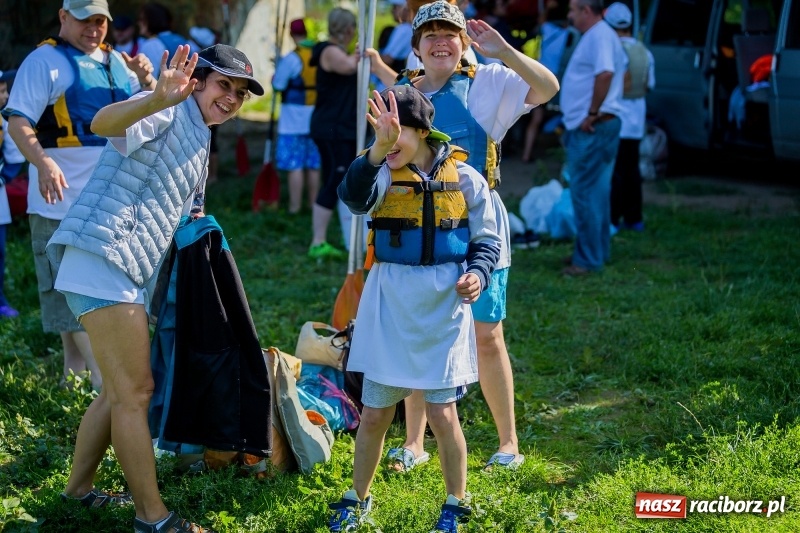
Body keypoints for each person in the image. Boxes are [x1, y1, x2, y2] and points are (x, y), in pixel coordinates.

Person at [45, 43, 263, 533]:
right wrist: (155, 97)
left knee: (116, 392)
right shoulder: (166, 111)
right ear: (199, 81)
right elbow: (103, 124)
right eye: (223, 85)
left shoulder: (200, 133)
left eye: (241, 92)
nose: (230, 98)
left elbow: (183, 212)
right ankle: (153, 518)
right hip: (102, 256)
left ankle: (77, 491)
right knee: (135, 393)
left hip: (124, 266)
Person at [368, 0, 559, 472]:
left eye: (449, 32)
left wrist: (504, 51)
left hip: (476, 226)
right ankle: (414, 442)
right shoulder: (399, 92)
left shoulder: (488, 83)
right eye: (429, 33)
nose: (439, 41)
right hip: (417, 228)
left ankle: (508, 441)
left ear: (463, 41)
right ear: (414, 47)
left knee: (487, 334)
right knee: (418, 331)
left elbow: (547, 88)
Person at [331, 84, 501, 533]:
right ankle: (358, 496)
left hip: (443, 306)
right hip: (390, 304)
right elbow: (352, 196)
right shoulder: (381, 171)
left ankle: (455, 503)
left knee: (443, 415)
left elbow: (486, 238)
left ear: (423, 132)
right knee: (374, 413)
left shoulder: (466, 178)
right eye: (377, 132)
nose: (385, 141)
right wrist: (376, 153)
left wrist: (478, 274)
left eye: (395, 132)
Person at [3, 0, 157, 391]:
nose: (93, 28)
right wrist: (42, 163)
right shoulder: (43, 61)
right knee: (65, 289)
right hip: (62, 198)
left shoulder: (120, 61)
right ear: (63, 17)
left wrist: (150, 82)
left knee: (96, 288)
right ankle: (103, 385)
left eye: (100, 21)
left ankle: (75, 378)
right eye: (84, 19)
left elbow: (154, 116)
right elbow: (19, 120)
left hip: (116, 201)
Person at [559, 0, 626, 276]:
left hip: (592, 127)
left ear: (587, 10)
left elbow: (605, 73)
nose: (569, 15)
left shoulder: (599, 35)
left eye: (573, 10)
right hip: (597, 126)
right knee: (596, 193)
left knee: (585, 194)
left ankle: (586, 260)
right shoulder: (602, 35)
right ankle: (595, 253)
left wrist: (592, 113)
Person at [308, 7, 358, 259]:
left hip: (337, 127)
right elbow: (349, 67)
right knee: (334, 181)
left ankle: (329, 238)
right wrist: (362, 53)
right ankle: (318, 241)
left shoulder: (334, 50)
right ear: (348, 29)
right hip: (332, 128)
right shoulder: (329, 50)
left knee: (335, 179)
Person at [604, 2, 655, 233]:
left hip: (615, 119)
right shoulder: (645, 52)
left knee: (615, 173)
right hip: (636, 121)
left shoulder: (613, 51)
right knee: (632, 171)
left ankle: (613, 219)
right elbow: (649, 85)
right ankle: (635, 219)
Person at [272, 18, 321, 214]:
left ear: (292, 35)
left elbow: (278, 85)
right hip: (316, 116)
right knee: (314, 164)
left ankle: (294, 208)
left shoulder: (292, 58)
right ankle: (313, 204)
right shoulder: (319, 54)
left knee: (295, 164)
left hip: (293, 120)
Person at [521, 0, 569, 162]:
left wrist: (547, 9)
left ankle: (526, 154)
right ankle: (563, 155)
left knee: (536, 118)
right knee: (563, 116)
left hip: (539, 78)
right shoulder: (570, 33)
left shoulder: (546, 28)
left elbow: (540, 22)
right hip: (557, 79)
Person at [0, 68, 21, 319]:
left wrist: (3, 177)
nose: (3, 96)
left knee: (0, 251)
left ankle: (0, 300)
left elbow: (14, 158)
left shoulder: (6, 122)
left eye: (4, 90)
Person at [138, 2, 196, 79]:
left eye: (142, 19)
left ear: (151, 21)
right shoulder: (182, 40)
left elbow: (148, 78)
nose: (138, 23)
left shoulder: (151, 45)